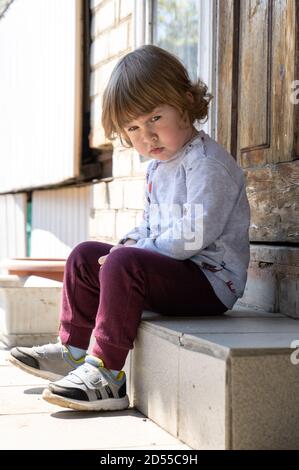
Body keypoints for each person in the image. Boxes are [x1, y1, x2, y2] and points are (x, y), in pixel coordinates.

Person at [9, 45, 250, 411]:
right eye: (134, 128)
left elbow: (193, 237)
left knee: (123, 262)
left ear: (186, 102)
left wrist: (129, 255)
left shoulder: (206, 164)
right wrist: (123, 247)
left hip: (210, 283)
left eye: (155, 118)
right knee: (86, 255)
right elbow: (150, 227)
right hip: (171, 272)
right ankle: (73, 350)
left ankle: (107, 374)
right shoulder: (157, 168)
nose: (147, 137)